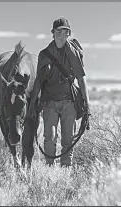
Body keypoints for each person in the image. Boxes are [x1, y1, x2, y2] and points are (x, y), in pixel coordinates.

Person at [28, 17, 90, 168]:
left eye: (66, 32)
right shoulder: (44, 54)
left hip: (69, 102)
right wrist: (31, 107)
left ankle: (65, 171)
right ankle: (50, 170)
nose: (63, 35)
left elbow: (81, 79)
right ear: (53, 32)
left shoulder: (73, 53)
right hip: (50, 102)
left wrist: (87, 105)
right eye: (59, 31)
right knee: (50, 137)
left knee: (68, 140)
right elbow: (38, 82)